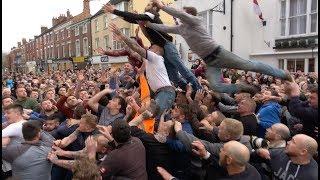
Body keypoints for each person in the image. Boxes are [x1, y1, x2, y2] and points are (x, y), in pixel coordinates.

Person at [147, 0, 292, 94]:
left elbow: (180, 14)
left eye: (183, 14)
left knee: (250, 65)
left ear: (189, 14)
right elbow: (164, 28)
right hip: (210, 61)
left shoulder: (196, 21)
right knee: (215, 86)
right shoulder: (181, 29)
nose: (180, 17)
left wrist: (162, 6)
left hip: (219, 53)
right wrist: (148, 25)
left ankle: (283, 74)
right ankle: (241, 88)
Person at [104, 2, 202, 91]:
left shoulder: (152, 15)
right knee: (174, 77)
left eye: (150, 4)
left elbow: (134, 17)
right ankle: (188, 89)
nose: (148, 4)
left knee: (181, 68)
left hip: (167, 45)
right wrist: (116, 13)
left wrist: (114, 10)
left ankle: (199, 89)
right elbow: (132, 19)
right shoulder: (146, 18)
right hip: (162, 48)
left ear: (154, 8)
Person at [109, 23, 175, 114]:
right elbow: (133, 52)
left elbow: (136, 48)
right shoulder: (149, 60)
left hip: (165, 92)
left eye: (150, 48)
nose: (147, 48)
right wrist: (121, 41)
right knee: (148, 115)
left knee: (151, 116)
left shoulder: (156, 57)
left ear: (156, 51)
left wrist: (122, 35)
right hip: (160, 92)